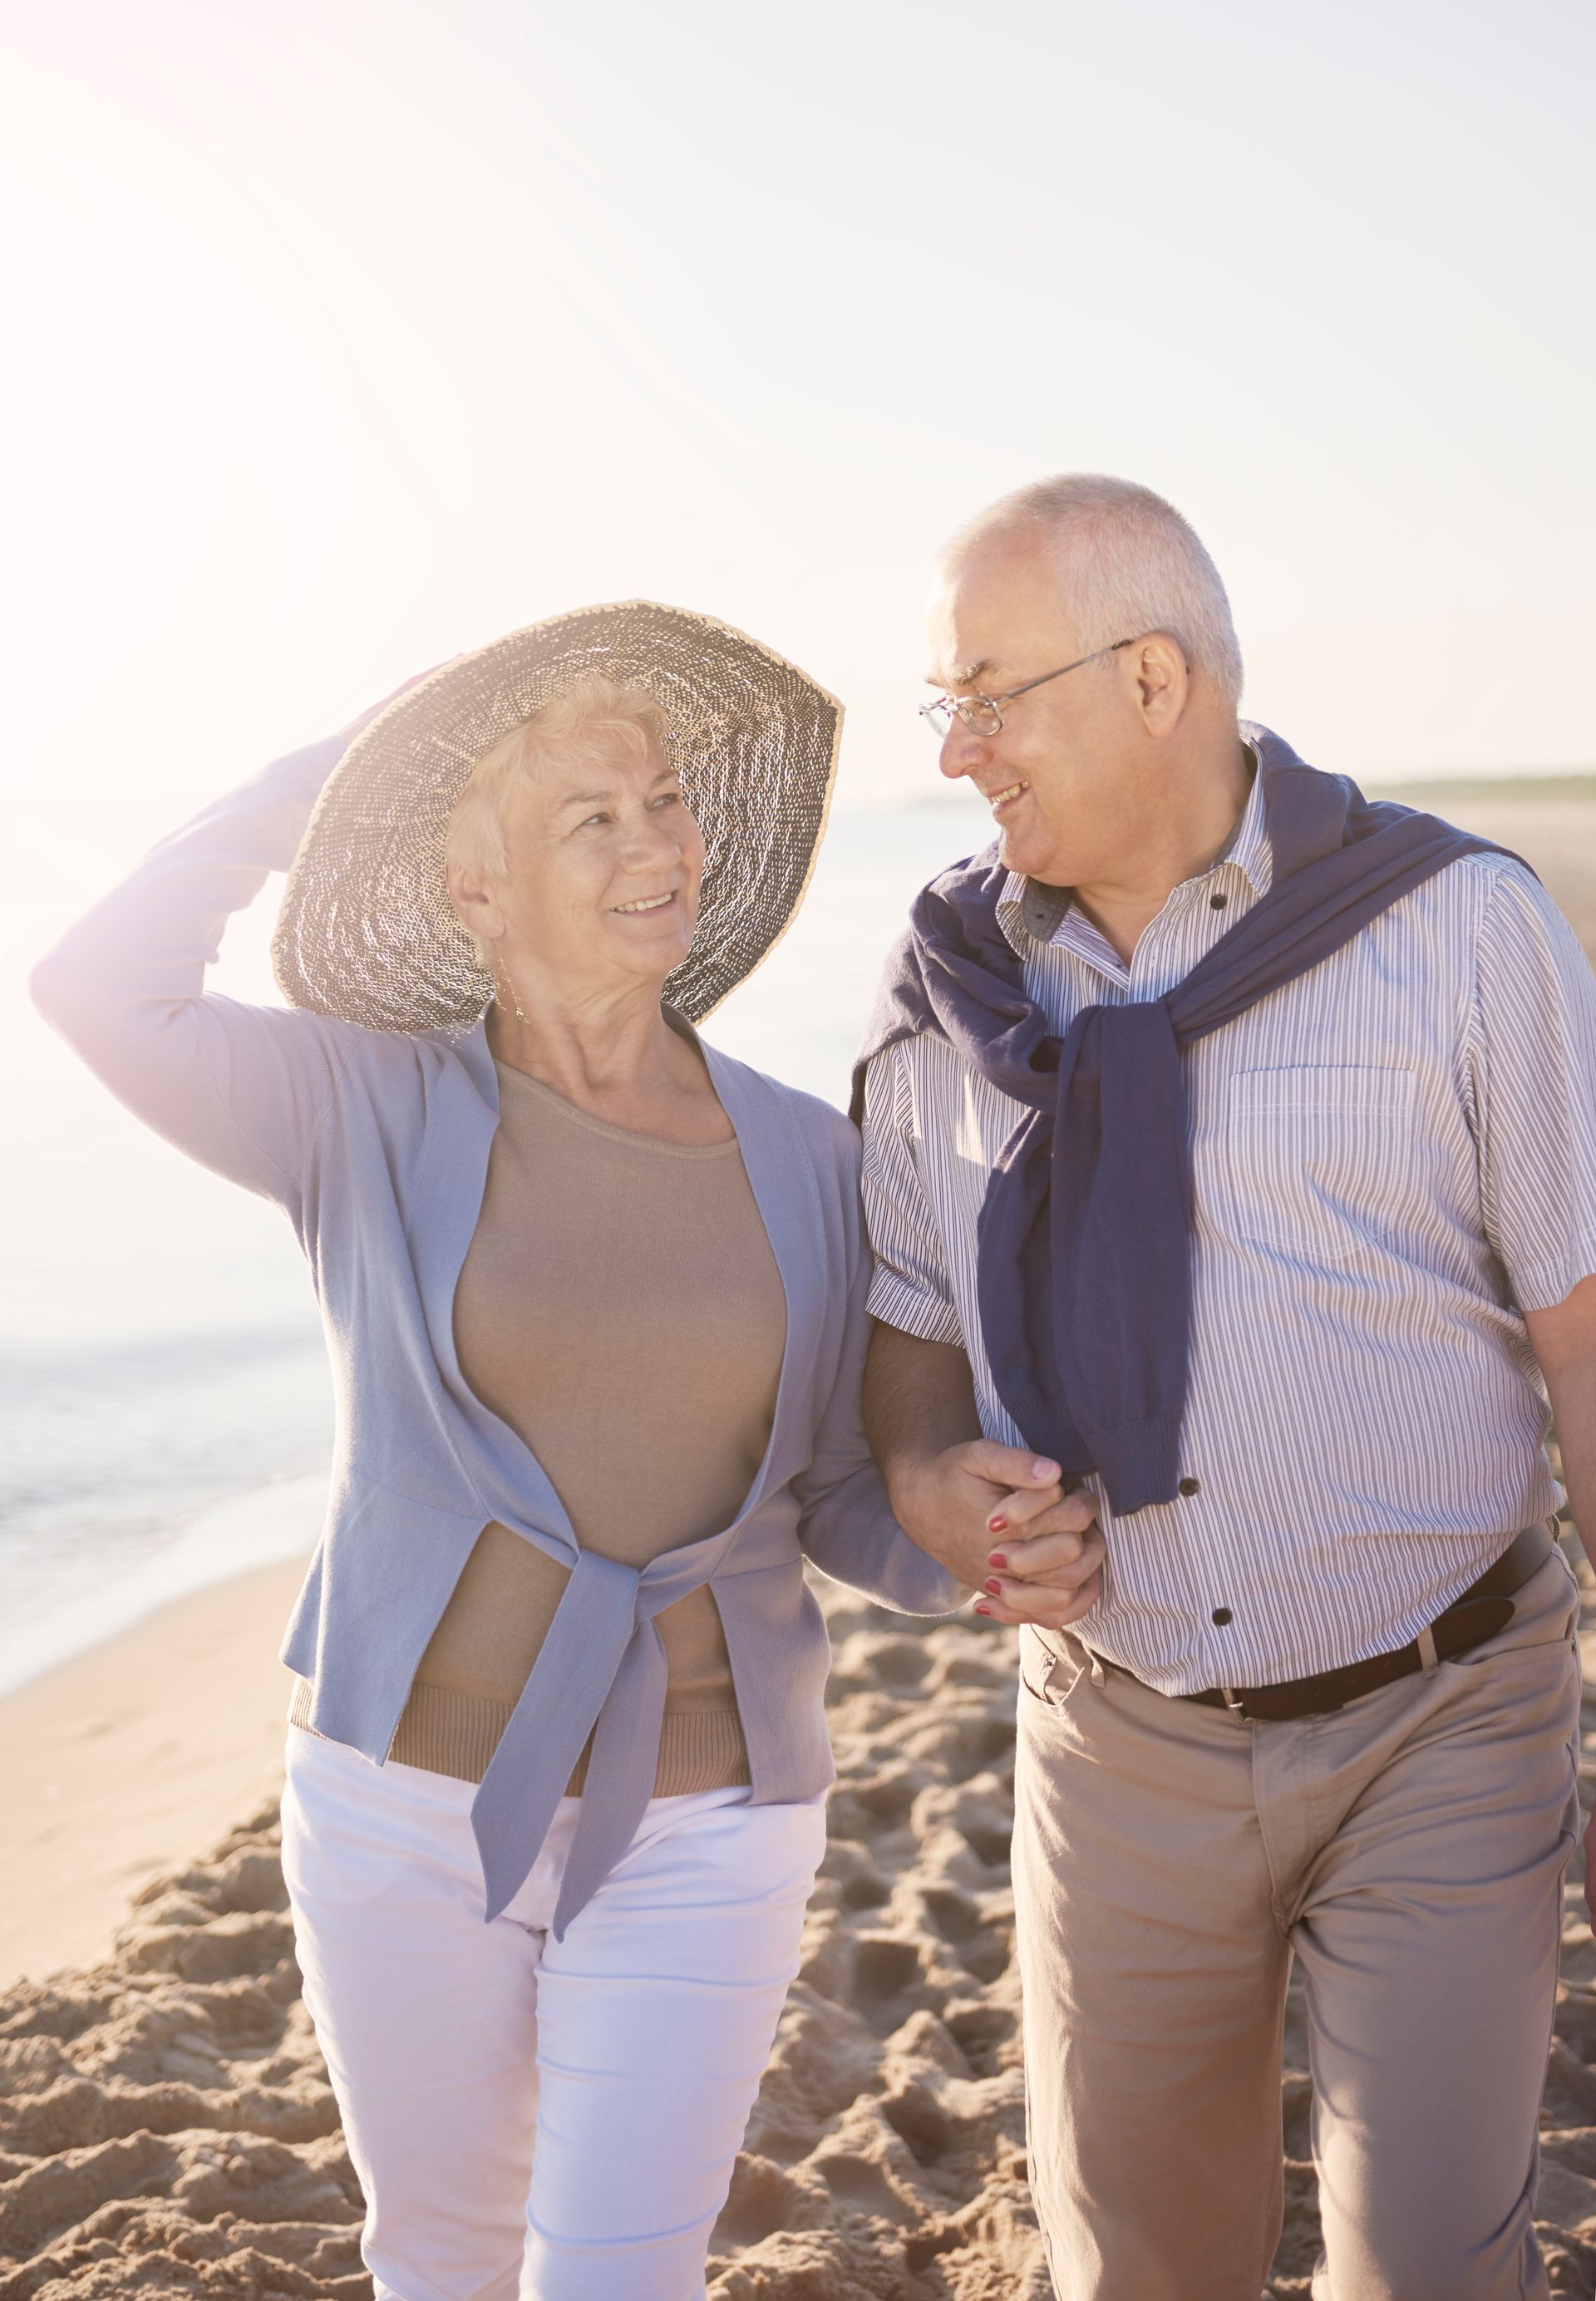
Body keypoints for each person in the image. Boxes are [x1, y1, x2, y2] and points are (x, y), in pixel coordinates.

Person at [29, 600, 1093, 2301]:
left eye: (664, 799)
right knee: (441, 2259)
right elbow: (96, 983)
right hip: (395, 1805)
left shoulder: (812, 1157)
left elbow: (833, 1488)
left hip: (711, 1814)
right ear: (474, 889)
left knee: (619, 2276)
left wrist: (948, 1523)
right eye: (587, 817)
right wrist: (322, 786)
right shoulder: (359, 1106)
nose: (655, 843)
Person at [853, 477, 1596, 2301]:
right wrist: (926, 1472)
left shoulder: (1460, 928)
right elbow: (904, 1318)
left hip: (1444, 1710)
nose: (956, 751)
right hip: (1115, 1737)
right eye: (939, 702)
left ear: (1157, 678)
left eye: (989, 694)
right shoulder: (946, 981)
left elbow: (1582, 1330)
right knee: (1139, 2274)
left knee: (1430, 2266)